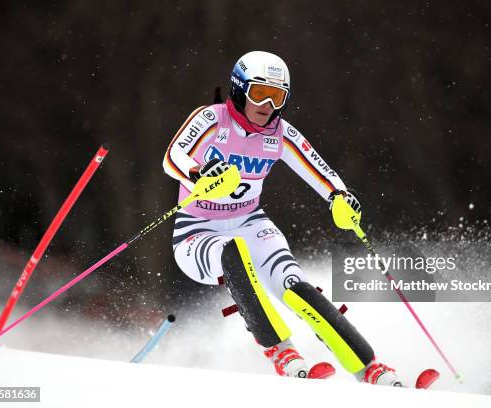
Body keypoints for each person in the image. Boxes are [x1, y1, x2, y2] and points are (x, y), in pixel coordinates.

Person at [163, 51, 401, 386]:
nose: (267, 105)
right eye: (259, 93)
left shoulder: (280, 133)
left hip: (251, 221)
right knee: (233, 253)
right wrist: (197, 173)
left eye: (277, 97)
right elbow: (172, 156)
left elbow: (319, 171)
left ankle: (368, 367)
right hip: (196, 231)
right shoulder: (212, 119)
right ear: (239, 89)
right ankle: (281, 350)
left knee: (294, 285)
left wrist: (340, 197)